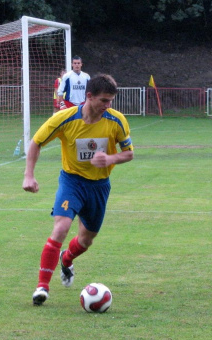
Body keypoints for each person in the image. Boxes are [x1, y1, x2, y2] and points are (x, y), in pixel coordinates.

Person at [23, 74, 134, 306]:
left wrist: (111, 158)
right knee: (61, 227)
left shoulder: (116, 120)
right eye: (104, 100)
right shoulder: (64, 118)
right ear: (89, 96)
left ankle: (67, 257)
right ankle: (42, 287)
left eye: (111, 101)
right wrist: (29, 175)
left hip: (99, 186)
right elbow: (36, 142)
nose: (108, 105)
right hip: (72, 182)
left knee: (86, 240)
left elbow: (129, 153)